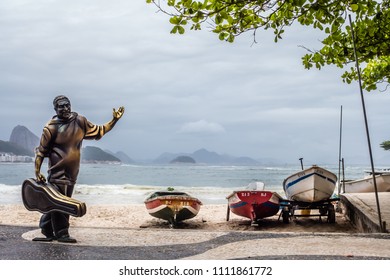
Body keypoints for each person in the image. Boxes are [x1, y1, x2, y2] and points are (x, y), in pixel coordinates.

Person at [33, 95, 124, 243]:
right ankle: (62, 233)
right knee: (63, 202)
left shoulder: (80, 121)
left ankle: (46, 229)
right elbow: (41, 152)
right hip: (57, 172)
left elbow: (100, 130)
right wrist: (37, 172)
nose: (65, 108)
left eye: (67, 105)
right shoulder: (50, 128)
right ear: (55, 109)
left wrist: (115, 119)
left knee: (57, 202)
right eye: (61, 106)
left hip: (72, 172)